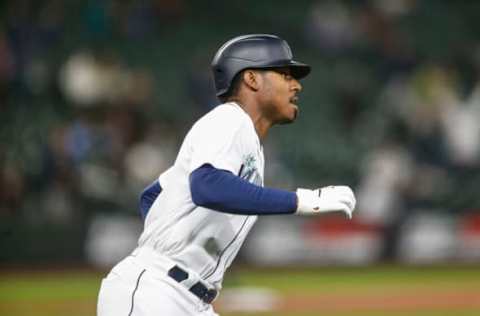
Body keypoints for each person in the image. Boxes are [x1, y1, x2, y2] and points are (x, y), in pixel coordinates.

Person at [97, 34, 356, 316]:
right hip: (157, 293)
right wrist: (302, 200)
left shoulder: (242, 138)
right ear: (252, 80)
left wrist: (177, 234)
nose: (297, 85)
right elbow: (207, 187)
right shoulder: (229, 120)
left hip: (186, 298)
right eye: (285, 74)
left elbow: (152, 195)